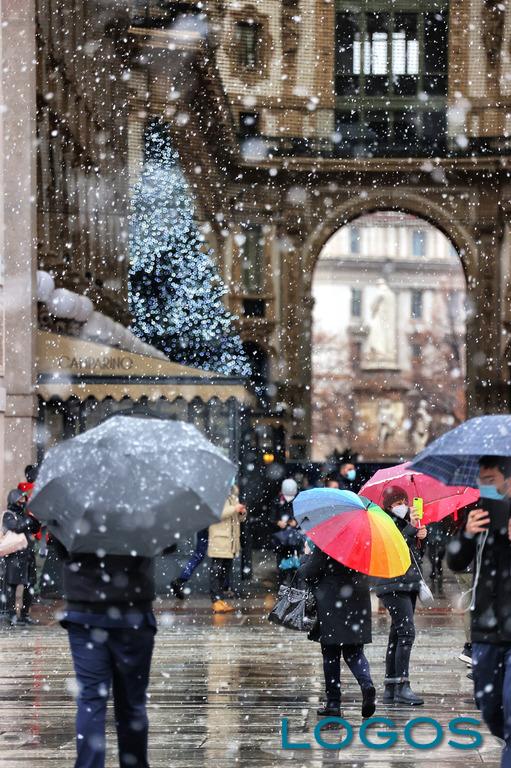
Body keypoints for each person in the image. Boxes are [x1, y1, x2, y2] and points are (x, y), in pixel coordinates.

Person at [54, 539, 157, 768]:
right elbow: (165, 543)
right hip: (133, 609)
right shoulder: (144, 503)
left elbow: (62, 547)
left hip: (86, 609)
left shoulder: (74, 505)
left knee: (90, 700)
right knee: (132, 704)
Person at [447, 455, 511, 768]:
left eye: (490, 481)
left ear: (508, 481)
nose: (484, 487)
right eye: (481, 481)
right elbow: (456, 562)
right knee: (489, 705)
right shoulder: (481, 515)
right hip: (486, 628)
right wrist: (468, 534)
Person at [298, 542, 376, 719]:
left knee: (331, 654)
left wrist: (306, 556)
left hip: (332, 602)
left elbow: (309, 572)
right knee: (354, 652)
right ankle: (366, 684)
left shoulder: (330, 540)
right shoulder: (364, 541)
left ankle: (333, 703)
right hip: (358, 600)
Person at [375, 485, 427, 706]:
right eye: (396, 504)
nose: (401, 507)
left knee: (397, 634)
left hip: (408, 582)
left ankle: (391, 686)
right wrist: (410, 531)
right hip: (392, 583)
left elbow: (415, 556)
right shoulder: (382, 522)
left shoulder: (407, 523)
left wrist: (420, 535)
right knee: (406, 632)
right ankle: (402, 686)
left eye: (403, 502)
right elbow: (391, 544)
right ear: (388, 507)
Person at [1, 489, 40, 626]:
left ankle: (25, 615)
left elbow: (35, 529)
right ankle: (11, 614)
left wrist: (33, 518)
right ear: (13, 500)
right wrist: (27, 520)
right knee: (12, 586)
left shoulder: (25, 514)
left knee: (30, 586)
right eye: (20, 499)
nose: (22, 502)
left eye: (24, 499)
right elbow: (16, 527)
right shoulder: (8, 515)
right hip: (14, 557)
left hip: (28, 555)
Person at [208, 486, 247, 613]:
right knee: (216, 572)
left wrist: (241, 512)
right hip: (220, 539)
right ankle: (216, 600)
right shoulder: (215, 495)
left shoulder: (233, 496)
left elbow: (239, 519)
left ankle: (220, 600)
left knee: (224, 572)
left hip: (230, 541)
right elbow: (218, 513)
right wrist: (234, 508)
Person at [170, 527, 209, 599]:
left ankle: (181, 579)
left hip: (205, 526)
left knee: (198, 556)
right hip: (215, 528)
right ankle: (223, 588)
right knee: (221, 556)